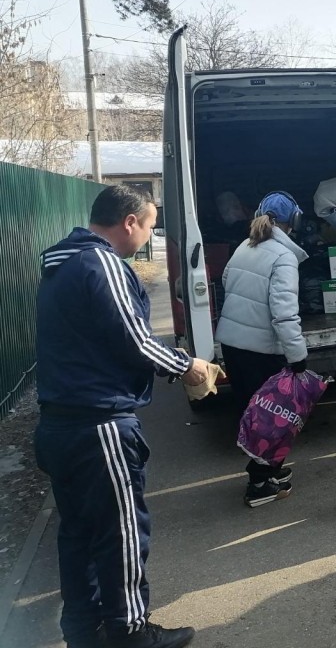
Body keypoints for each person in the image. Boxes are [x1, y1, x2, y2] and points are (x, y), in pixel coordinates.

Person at [34, 184, 210, 648]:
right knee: (122, 531)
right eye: (150, 224)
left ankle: (83, 629)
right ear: (129, 221)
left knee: (78, 532)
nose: (150, 234)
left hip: (60, 423)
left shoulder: (62, 264)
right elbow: (134, 340)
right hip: (99, 423)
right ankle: (131, 630)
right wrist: (187, 365)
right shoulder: (102, 263)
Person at [215, 191, 309, 508]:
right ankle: (258, 483)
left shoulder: (246, 246)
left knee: (252, 411)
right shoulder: (283, 257)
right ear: (294, 220)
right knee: (271, 419)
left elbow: (227, 281)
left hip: (233, 344)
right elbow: (284, 314)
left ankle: (272, 470)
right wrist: (298, 356)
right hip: (260, 350)